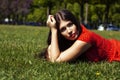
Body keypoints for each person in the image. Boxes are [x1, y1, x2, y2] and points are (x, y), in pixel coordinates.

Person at [39, 9, 120, 63]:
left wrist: (54, 30)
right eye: (63, 29)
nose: (69, 31)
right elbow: (51, 49)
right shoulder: (74, 36)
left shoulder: (86, 38)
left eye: (70, 25)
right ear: (60, 34)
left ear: (75, 22)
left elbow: (55, 60)